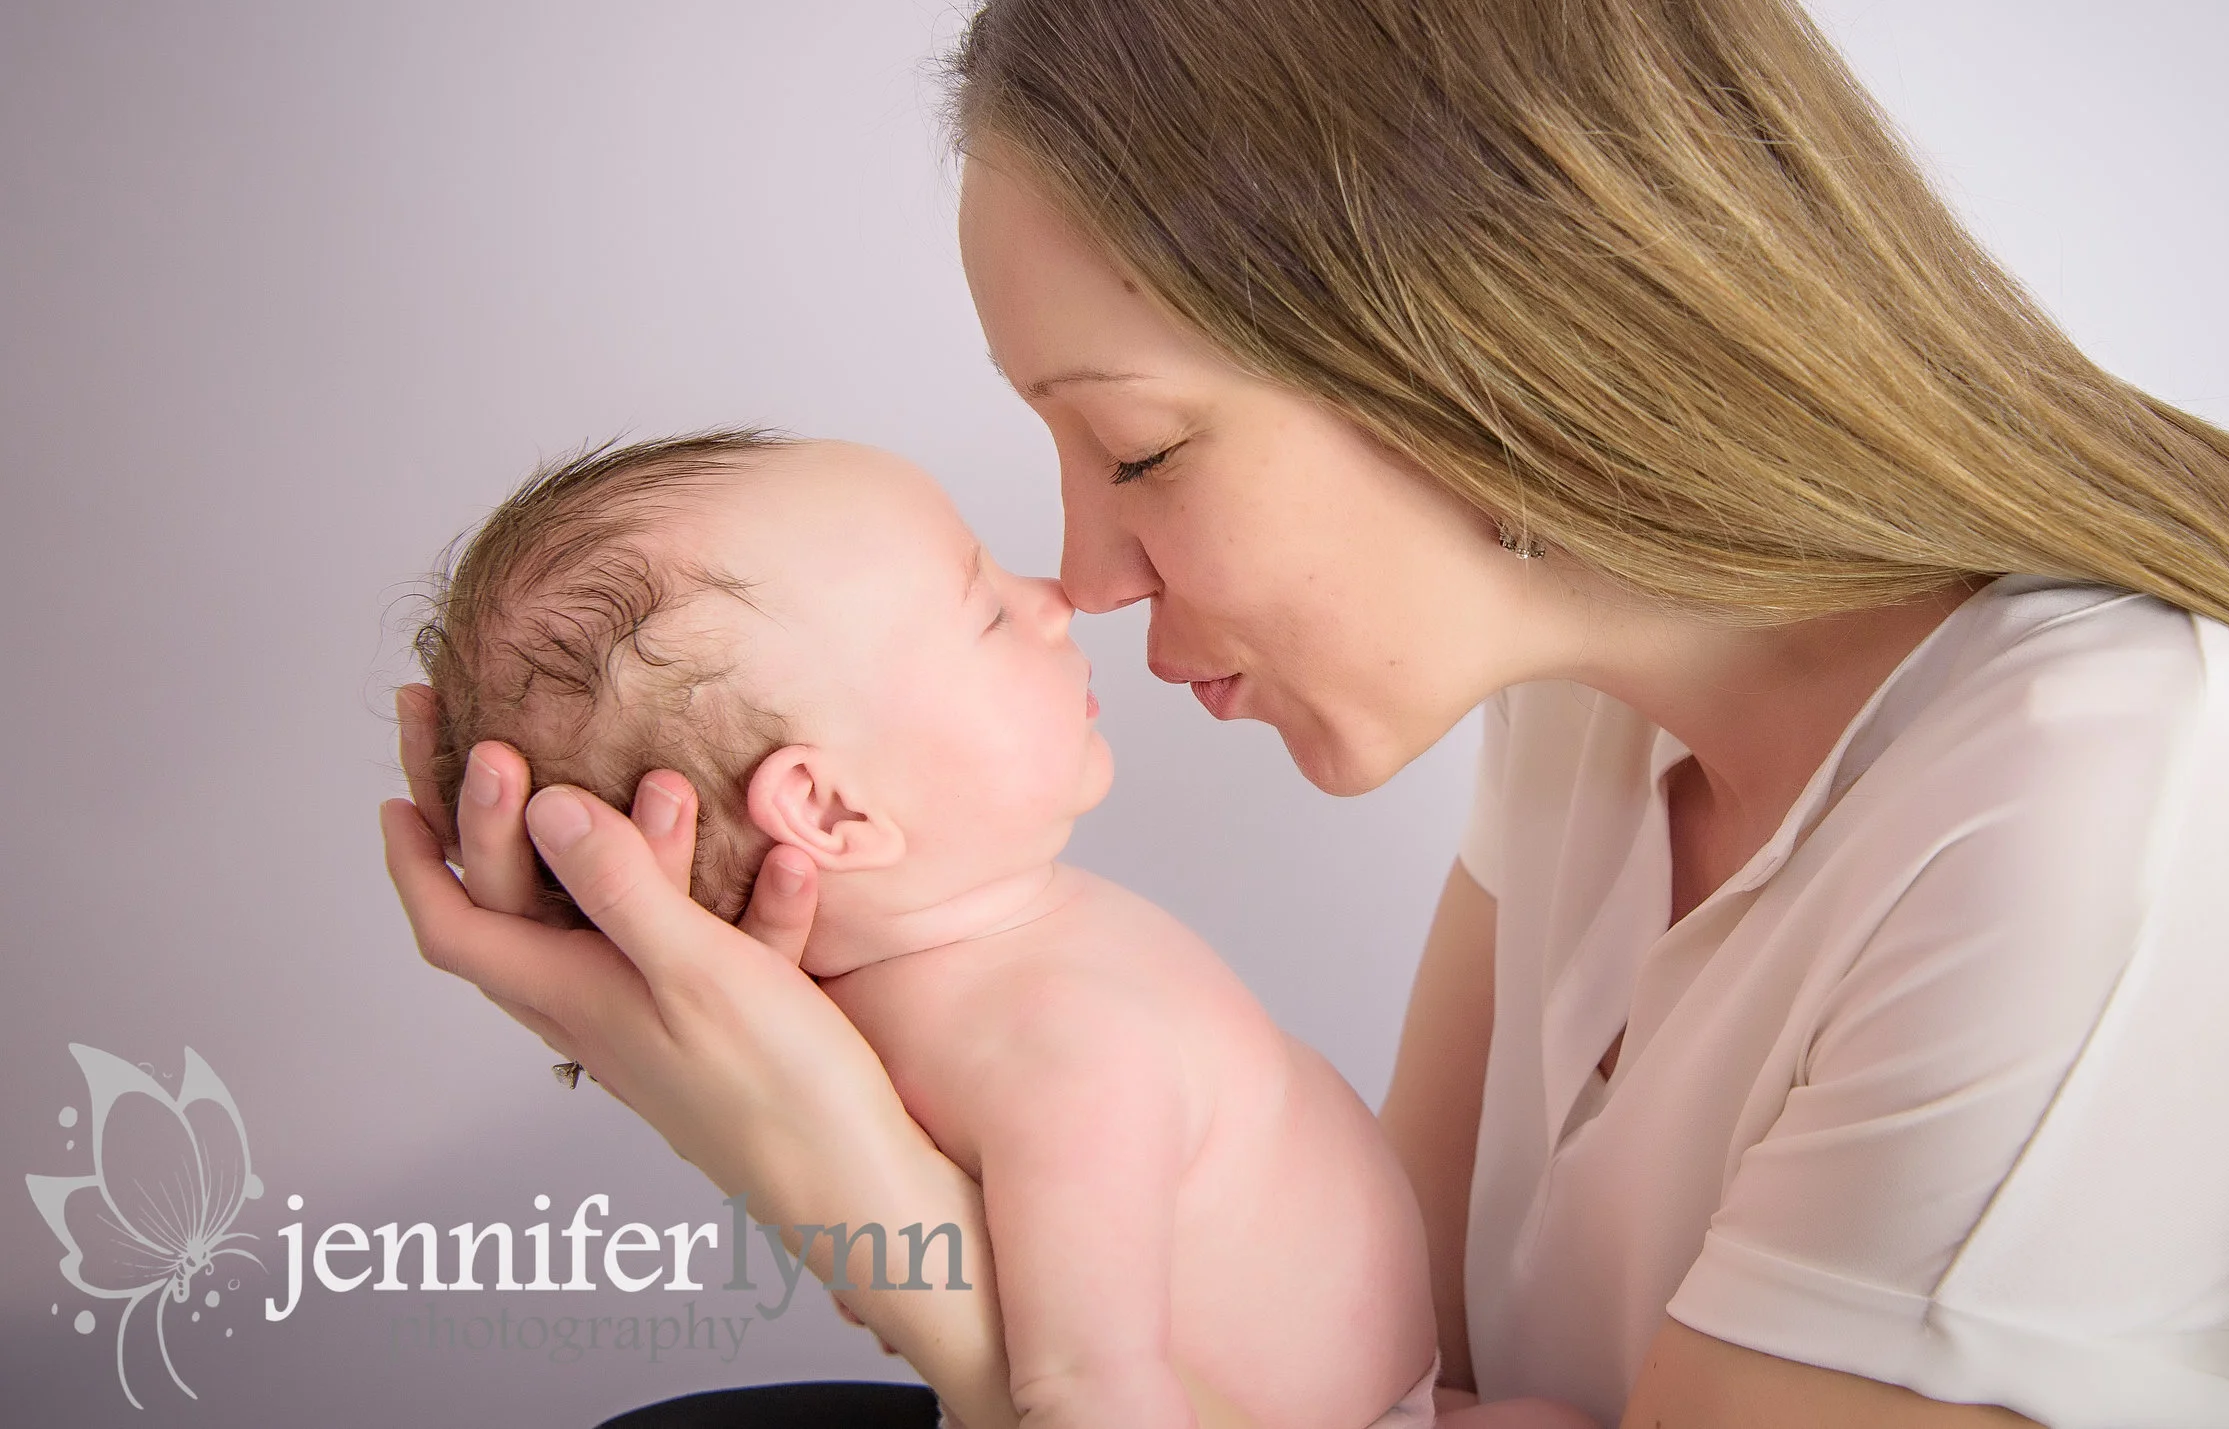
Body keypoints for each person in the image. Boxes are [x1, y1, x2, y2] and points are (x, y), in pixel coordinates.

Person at [381, 0, 2229, 1426]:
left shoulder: (2106, 804)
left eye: (1135, 449)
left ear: (1474, 344)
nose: (1087, 577)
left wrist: (885, 1230)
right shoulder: (1587, 717)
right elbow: (1387, 1351)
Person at [406, 428, 1589, 1429]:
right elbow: (1086, 1388)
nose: (1052, 599)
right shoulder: (1046, 1043)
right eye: (982, 610)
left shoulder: (879, 1021)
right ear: (828, 808)